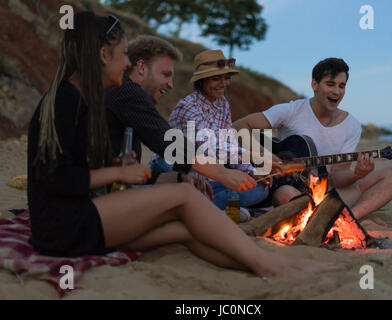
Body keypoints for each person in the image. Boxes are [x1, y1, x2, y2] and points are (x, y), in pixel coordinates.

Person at [27, 11, 340, 277]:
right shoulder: (75, 100)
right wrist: (222, 174)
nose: (126, 62)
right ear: (103, 55)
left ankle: (265, 269)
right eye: (124, 54)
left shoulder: (85, 100)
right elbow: (167, 145)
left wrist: (124, 171)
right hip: (65, 227)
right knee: (184, 196)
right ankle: (274, 266)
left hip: (73, 222)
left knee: (187, 229)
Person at [233, 57, 392, 220]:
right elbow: (238, 127)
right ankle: (326, 218)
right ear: (314, 84)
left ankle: (345, 220)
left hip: (325, 192)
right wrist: (263, 155)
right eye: (330, 84)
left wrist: (356, 174)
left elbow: (337, 177)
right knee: (286, 195)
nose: (337, 91)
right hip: (288, 188)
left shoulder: (352, 125)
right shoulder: (292, 111)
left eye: (342, 86)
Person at [105, 36, 254, 195]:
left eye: (226, 78)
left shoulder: (223, 105)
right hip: (102, 202)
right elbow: (168, 140)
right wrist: (224, 174)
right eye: (166, 74)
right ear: (141, 67)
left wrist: (178, 179)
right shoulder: (128, 92)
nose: (171, 84)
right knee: (186, 196)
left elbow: (133, 178)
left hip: (122, 188)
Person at [152, 49, 272, 215]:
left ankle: (204, 207)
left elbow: (228, 142)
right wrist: (252, 155)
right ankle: (208, 209)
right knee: (183, 170)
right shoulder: (189, 106)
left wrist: (249, 171)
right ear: (201, 81)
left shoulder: (223, 105)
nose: (223, 84)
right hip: (174, 168)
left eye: (226, 78)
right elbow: (207, 146)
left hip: (205, 173)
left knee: (259, 188)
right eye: (216, 79)